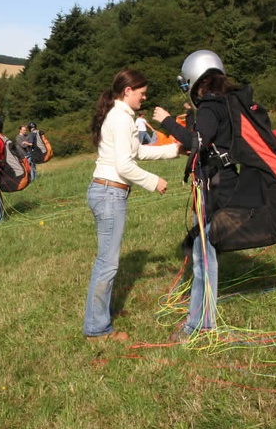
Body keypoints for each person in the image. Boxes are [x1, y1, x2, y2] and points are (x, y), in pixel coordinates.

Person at [84, 69, 180, 342]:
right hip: (109, 194)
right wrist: (154, 182)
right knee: (108, 263)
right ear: (128, 91)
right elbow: (124, 165)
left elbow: (136, 152)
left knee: (106, 261)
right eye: (141, 92)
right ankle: (97, 328)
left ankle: (100, 315)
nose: (144, 97)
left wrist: (173, 150)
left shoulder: (119, 116)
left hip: (105, 191)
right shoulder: (121, 119)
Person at [153, 50, 239, 338]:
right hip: (221, 183)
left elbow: (195, 142)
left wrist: (167, 122)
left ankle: (200, 324)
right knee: (204, 253)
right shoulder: (224, 103)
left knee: (204, 259)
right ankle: (201, 319)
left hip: (215, 188)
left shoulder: (211, 106)